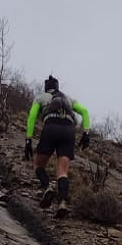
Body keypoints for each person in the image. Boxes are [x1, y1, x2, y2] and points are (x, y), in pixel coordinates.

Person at [24, 74, 90, 214]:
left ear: (46, 87)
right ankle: (62, 203)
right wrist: (86, 133)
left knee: (38, 164)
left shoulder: (40, 98)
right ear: (57, 87)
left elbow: (31, 117)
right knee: (62, 171)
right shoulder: (68, 99)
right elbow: (84, 111)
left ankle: (48, 187)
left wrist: (28, 139)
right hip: (69, 131)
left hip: (51, 127)